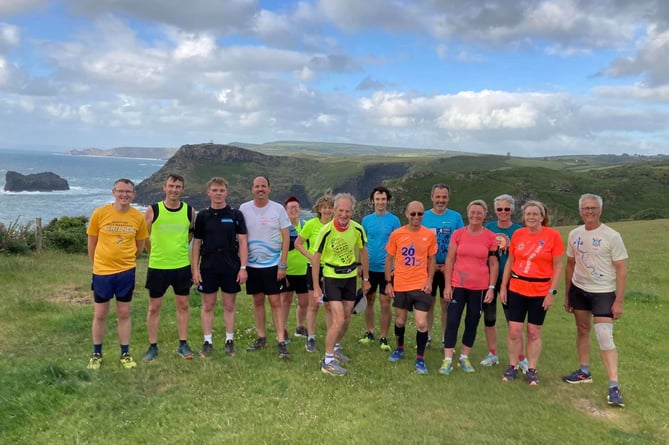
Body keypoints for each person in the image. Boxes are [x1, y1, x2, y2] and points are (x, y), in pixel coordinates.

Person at [563, 193, 628, 407]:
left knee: (604, 335)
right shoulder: (574, 234)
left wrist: (618, 301)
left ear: (600, 210)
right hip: (580, 289)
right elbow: (570, 264)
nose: (589, 212)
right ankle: (584, 371)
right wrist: (567, 293)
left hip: (604, 291)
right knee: (582, 330)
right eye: (585, 208)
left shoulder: (612, 236)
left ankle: (613, 384)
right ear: (580, 210)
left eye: (593, 208)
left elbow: (621, 269)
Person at [86, 178, 149, 370]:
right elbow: (92, 242)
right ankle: (97, 353)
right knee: (100, 313)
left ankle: (125, 353)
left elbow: (139, 246)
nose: (124, 195)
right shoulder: (100, 213)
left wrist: (127, 259)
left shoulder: (138, 217)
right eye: (121, 191)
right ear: (114, 192)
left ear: (134, 194)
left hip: (126, 272)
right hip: (102, 272)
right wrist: (97, 265)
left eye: (128, 192)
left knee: (124, 312)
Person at [500, 200, 564, 386]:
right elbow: (510, 262)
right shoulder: (518, 234)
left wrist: (551, 292)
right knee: (514, 331)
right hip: (517, 288)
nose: (531, 217)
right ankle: (512, 366)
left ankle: (532, 369)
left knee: (534, 331)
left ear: (542, 217)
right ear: (524, 216)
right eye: (528, 214)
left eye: (535, 214)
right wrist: (503, 287)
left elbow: (558, 265)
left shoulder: (553, 235)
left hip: (540, 290)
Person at [312, 193, 370, 376]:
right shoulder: (326, 230)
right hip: (331, 277)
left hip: (350, 278)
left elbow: (363, 252)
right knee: (337, 319)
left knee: (346, 318)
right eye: (341, 211)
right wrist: (316, 286)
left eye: (348, 211)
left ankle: (336, 348)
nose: (344, 214)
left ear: (352, 211)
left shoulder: (358, 229)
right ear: (335, 211)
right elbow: (316, 258)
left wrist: (366, 279)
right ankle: (327, 361)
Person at [438, 200, 498, 375]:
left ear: (485, 215)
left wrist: (491, 287)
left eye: (479, 213)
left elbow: (493, 264)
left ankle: (464, 357)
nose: (475, 216)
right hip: (458, 285)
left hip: (479, 288)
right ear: (468, 213)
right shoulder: (458, 234)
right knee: (452, 321)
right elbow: (450, 260)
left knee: (472, 321)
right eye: (473, 212)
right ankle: (447, 359)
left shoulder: (490, 237)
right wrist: (447, 285)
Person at [142, 174, 196, 363]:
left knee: (183, 305)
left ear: (182, 189)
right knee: (154, 307)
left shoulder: (189, 211)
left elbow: (190, 235)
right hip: (158, 266)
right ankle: (152, 346)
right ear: (164, 187)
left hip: (181, 266)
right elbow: (144, 237)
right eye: (171, 186)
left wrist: (178, 248)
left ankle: (183, 344)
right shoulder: (153, 210)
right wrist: (154, 252)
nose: (174, 190)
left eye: (178, 186)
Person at [191, 177, 248, 358]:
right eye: (214, 190)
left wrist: (243, 267)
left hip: (231, 265)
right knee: (208, 305)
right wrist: (195, 269)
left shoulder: (235, 215)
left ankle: (229, 340)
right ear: (208, 192)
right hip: (208, 265)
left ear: (226, 192)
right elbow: (197, 243)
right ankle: (207, 341)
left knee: (229, 304)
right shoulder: (202, 216)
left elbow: (243, 241)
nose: (218, 193)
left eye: (221, 190)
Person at [240, 176, 291, 359]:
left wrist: (282, 265)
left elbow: (286, 238)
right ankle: (261, 337)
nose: (260, 189)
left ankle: (281, 341)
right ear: (252, 189)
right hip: (252, 265)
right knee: (258, 301)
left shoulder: (278, 209)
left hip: (273, 265)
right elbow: (241, 238)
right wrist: (242, 265)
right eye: (257, 186)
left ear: (269, 189)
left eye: (263, 186)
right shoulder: (244, 209)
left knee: (275, 302)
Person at [385, 201, 437, 374]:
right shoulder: (397, 234)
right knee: (400, 320)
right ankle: (399, 348)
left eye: (420, 214)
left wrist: (429, 280)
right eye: (413, 214)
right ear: (406, 214)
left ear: (423, 215)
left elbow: (431, 259)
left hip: (420, 285)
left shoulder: (429, 235)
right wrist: (388, 283)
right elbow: (389, 259)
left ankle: (420, 358)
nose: (416, 217)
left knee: (421, 323)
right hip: (401, 284)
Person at [480, 194, 527, 372]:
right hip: (489, 280)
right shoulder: (489, 228)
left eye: (507, 209)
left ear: (512, 210)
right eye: (500, 209)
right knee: (489, 318)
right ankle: (493, 353)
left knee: (513, 321)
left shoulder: (519, 230)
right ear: (495, 210)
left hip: (512, 280)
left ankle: (521, 358)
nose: (503, 212)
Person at [422, 184, 464, 348]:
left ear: (448, 198)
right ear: (432, 197)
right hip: (428, 268)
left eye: (444, 197)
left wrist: (448, 264)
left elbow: (461, 241)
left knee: (446, 303)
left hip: (449, 268)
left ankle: (446, 339)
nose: (441, 200)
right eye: (438, 197)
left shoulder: (456, 217)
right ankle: (428, 337)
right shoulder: (424, 216)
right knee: (429, 303)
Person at [360, 186, 401, 351]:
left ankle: (384, 337)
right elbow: (362, 245)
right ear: (372, 201)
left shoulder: (394, 220)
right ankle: (369, 332)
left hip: (387, 269)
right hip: (369, 268)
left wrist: (395, 267)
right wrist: (360, 266)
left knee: (385, 303)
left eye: (383, 199)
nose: (380, 202)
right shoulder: (366, 220)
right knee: (368, 300)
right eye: (377, 199)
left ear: (387, 201)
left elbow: (399, 245)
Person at [294, 194, 335, 352]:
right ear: (319, 209)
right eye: (324, 207)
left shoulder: (335, 225)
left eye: (329, 207)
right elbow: (298, 243)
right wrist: (311, 257)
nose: (326, 210)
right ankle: (311, 337)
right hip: (314, 269)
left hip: (331, 269)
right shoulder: (311, 224)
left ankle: (331, 338)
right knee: (314, 304)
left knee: (330, 306)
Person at [281, 196, 309, 341]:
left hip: (303, 270)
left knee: (304, 302)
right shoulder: (282, 228)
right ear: (285, 211)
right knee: (285, 301)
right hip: (287, 270)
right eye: (290, 207)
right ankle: (283, 330)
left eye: (296, 207)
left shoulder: (305, 225)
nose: (294, 210)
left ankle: (300, 326)